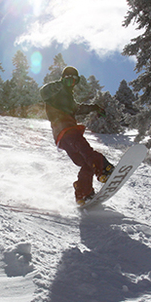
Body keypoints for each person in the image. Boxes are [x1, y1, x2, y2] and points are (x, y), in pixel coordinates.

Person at [40, 66, 114, 206]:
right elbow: (44, 92)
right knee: (86, 151)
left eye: (75, 81)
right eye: (68, 81)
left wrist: (95, 107)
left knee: (85, 162)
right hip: (66, 130)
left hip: (64, 137)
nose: (72, 84)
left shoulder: (69, 99)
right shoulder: (55, 92)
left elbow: (79, 108)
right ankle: (104, 168)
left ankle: (83, 192)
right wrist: (59, 85)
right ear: (63, 80)